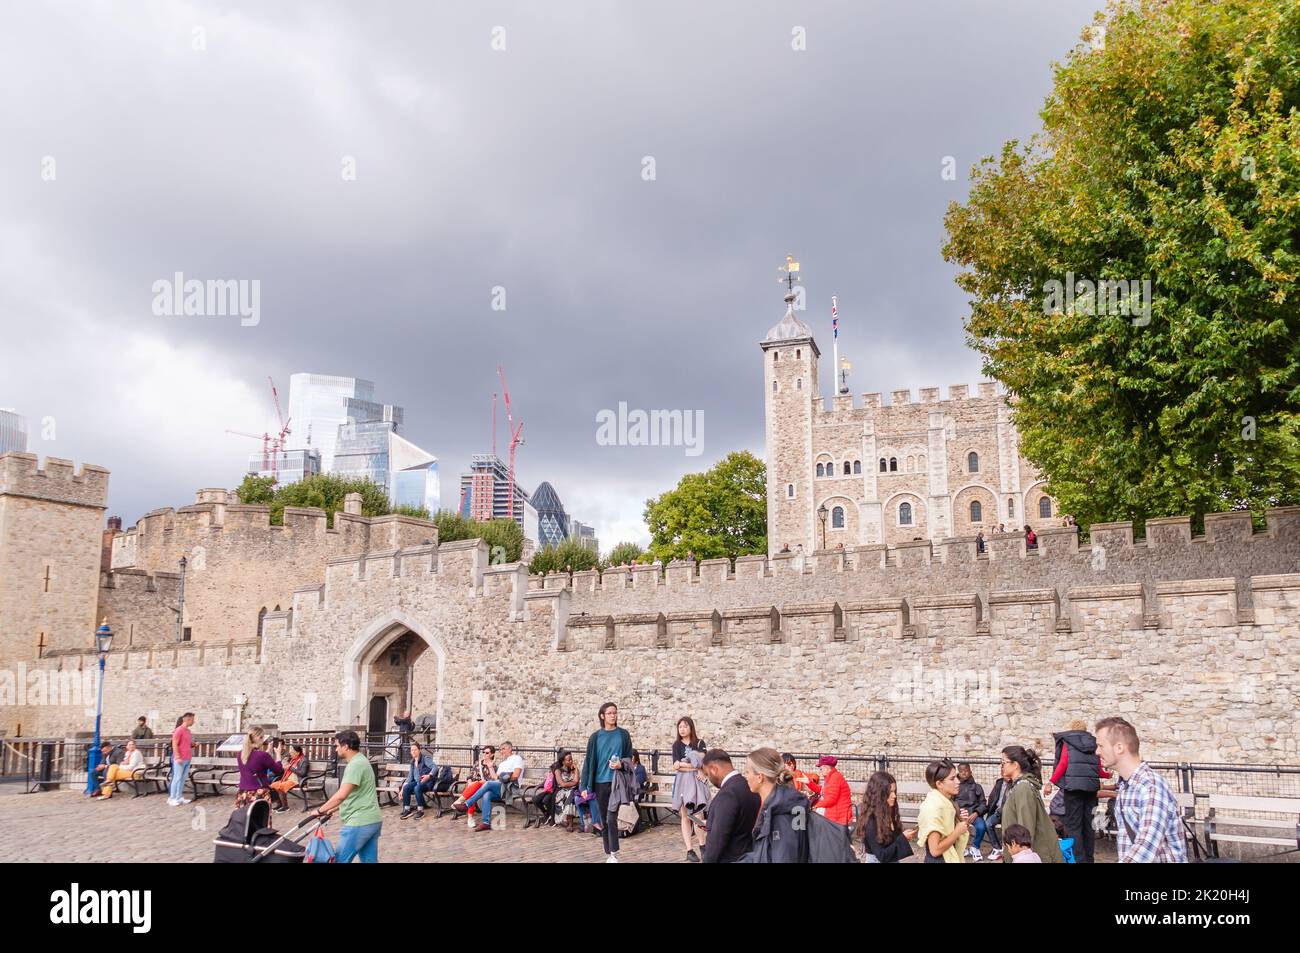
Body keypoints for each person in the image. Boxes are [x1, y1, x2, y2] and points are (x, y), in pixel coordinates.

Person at [1096, 716, 1188, 863]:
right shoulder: (1126, 787)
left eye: (1101, 746)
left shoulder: (1151, 786)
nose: (1097, 752)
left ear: (1119, 748)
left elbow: (1146, 846)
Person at [1043, 719, 1111, 863]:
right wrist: (1107, 775)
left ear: (1071, 729)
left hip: (1073, 789)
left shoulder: (1068, 741)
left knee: (1074, 826)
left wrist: (1051, 782)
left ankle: (1078, 859)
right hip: (1091, 789)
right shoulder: (1094, 743)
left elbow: (1063, 764)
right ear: (1085, 729)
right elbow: (1098, 769)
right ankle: (1089, 859)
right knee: (1089, 825)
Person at [313, 730, 382, 863]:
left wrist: (319, 810)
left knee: (340, 860)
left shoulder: (355, 765)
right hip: (372, 820)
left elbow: (341, 795)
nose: (335, 748)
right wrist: (334, 808)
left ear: (346, 746)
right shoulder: (362, 760)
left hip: (359, 822)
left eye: (337, 745)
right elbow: (358, 793)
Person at [580, 702, 634, 862]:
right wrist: (584, 785)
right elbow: (588, 762)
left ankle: (613, 853)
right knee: (604, 820)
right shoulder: (595, 737)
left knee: (611, 818)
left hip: (617, 782)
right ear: (602, 716)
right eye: (609, 713)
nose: (613, 715)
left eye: (615, 713)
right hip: (600, 782)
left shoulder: (623, 735)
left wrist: (620, 764)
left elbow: (629, 758)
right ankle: (609, 853)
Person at [739, 747, 809, 863]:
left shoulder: (781, 814)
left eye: (747, 772)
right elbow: (765, 852)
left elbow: (786, 857)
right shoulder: (782, 804)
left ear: (760, 777)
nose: (746, 776)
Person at [997, 746, 1064, 863]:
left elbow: (1025, 829)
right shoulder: (1018, 787)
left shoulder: (1023, 788)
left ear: (1015, 765)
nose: (1002, 766)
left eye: (1004, 762)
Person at [699, 748, 760, 863]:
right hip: (749, 854)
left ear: (714, 769)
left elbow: (718, 838)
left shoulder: (727, 794)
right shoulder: (748, 786)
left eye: (707, 774)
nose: (709, 779)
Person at [456, 741, 525, 832]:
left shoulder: (517, 758)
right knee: (487, 793)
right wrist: (491, 767)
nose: (501, 751)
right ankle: (486, 823)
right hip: (500, 788)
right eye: (500, 750)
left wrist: (505, 778)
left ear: (510, 748)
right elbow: (495, 777)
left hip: (511, 788)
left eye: (503, 749)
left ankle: (467, 804)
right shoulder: (502, 764)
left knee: (487, 784)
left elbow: (515, 775)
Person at [671, 716, 710, 862]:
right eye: (680, 727)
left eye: (685, 726)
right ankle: (689, 850)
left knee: (698, 815)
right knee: (685, 816)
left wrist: (686, 765)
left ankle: (702, 845)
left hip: (696, 783)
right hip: (682, 782)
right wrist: (695, 767)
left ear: (691, 728)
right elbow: (675, 765)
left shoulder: (699, 743)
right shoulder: (676, 745)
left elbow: (704, 762)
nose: (682, 729)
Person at [917, 758, 971, 863]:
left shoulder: (946, 802)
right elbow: (935, 850)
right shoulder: (933, 808)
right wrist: (957, 831)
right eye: (952, 779)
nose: (958, 782)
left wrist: (961, 821)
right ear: (939, 784)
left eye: (956, 777)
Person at [854, 770, 915, 863]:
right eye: (890, 792)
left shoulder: (887, 813)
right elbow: (882, 855)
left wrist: (903, 836)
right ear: (879, 795)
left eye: (894, 791)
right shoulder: (870, 822)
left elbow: (891, 843)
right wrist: (903, 838)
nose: (894, 796)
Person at [234, 726, 282, 809]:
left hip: (242, 793)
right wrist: (278, 754)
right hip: (258, 793)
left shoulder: (240, 754)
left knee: (243, 820)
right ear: (259, 738)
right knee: (259, 821)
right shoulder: (262, 756)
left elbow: (254, 761)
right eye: (262, 737)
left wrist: (267, 751)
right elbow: (278, 770)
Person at [450, 745, 496, 818]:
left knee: (476, 786)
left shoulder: (493, 765)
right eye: (483, 752)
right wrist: (470, 782)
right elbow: (470, 775)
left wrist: (490, 767)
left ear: (492, 754)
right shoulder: (478, 763)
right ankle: (469, 816)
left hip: (483, 787)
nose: (484, 754)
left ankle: (467, 813)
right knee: (473, 789)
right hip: (472, 785)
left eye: (487, 753)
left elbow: (492, 781)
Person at [955, 762, 988, 861]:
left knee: (982, 827)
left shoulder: (977, 787)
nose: (964, 773)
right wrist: (958, 813)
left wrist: (976, 813)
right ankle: (961, 848)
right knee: (954, 828)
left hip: (974, 814)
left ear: (970, 772)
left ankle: (975, 847)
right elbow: (951, 802)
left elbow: (983, 804)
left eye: (966, 771)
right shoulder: (955, 786)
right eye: (961, 771)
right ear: (958, 773)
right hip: (959, 814)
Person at [399, 741, 437, 820]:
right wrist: (402, 790)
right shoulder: (412, 762)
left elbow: (435, 767)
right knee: (406, 788)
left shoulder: (425, 759)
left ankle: (420, 811)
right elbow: (409, 777)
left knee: (417, 788)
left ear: (419, 750)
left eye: (415, 749)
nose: (413, 751)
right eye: (412, 750)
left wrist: (429, 775)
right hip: (417, 782)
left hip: (427, 782)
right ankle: (407, 810)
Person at [979, 773, 1010, 861]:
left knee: (1007, 827)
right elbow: (992, 797)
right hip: (997, 811)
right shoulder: (999, 782)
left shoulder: (1013, 784)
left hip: (1007, 812)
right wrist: (989, 808)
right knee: (988, 823)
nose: (1005, 773)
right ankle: (997, 848)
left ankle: (1006, 849)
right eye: (1002, 770)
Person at [813, 756, 852, 825]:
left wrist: (816, 806)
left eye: (821, 769)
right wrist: (809, 783)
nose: (820, 771)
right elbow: (823, 791)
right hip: (838, 811)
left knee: (812, 817)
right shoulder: (832, 776)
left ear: (826, 768)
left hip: (838, 814)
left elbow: (831, 799)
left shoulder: (834, 778)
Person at [271, 744, 309, 813]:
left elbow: (302, 773)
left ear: (297, 753)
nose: (290, 754)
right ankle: (280, 804)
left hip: (298, 781)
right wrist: (286, 762)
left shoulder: (304, 760)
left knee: (281, 786)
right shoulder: (293, 759)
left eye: (292, 752)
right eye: (290, 752)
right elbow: (285, 765)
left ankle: (285, 807)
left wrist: (290, 767)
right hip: (288, 779)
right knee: (273, 785)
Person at [167, 712, 195, 807]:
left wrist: (194, 744)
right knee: (177, 778)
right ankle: (172, 797)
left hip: (187, 757)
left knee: (182, 778)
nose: (194, 721)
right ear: (188, 719)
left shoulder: (188, 731)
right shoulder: (178, 730)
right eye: (192, 719)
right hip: (180, 758)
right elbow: (174, 743)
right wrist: (177, 756)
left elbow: (186, 743)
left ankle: (179, 796)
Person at [552, 750, 580, 831]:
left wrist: (576, 769)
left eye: (571, 759)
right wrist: (573, 782)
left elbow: (577, 781)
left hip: (572, 791)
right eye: (569, 760)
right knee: (569, 794)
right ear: (563, 761)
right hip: (561, 792)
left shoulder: (573, 769)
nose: (571, 761)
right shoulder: (558, 771)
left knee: (571, 793)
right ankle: (567, 821)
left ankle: (569, 822)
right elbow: (562, 784)